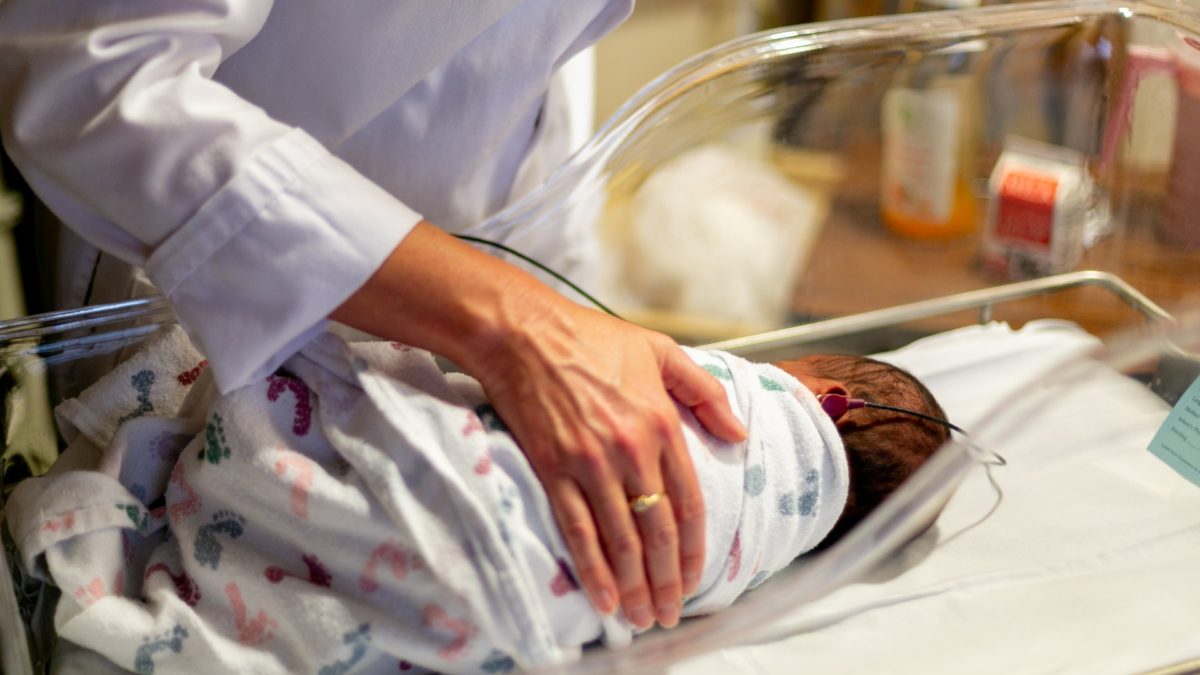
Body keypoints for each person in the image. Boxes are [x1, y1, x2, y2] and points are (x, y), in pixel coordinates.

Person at [0, 0, 750, 635]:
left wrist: (561, 307)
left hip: (502, 259)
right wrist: (515, 324)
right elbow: (93, 76)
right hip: (217, 272)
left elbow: (524, 56)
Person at [5, 326, 950, 673]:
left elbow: (593, 379)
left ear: (829, 397)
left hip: (453, 493)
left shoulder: (754, 404)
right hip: (500, 607)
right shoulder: (760, 556)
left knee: (304, 369)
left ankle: (194, 499)